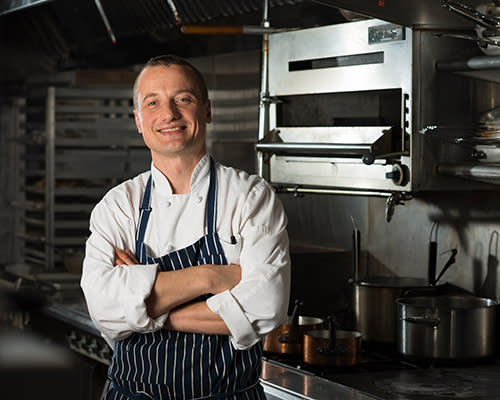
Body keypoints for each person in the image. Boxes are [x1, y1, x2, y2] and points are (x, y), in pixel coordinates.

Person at [80, 54, 291, 400]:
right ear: (138, 120)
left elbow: (265, 310)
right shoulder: (118, 206)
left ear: (206, 111)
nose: (169, 114)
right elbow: (104, 313)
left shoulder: (250, 197)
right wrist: (210, 278)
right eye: (153, 103)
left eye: (183, 99)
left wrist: (147, 309)